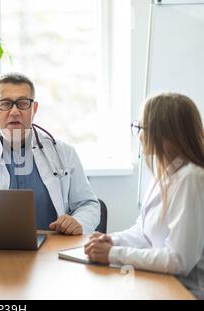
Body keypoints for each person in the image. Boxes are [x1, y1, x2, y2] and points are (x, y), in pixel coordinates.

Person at [84, 92, 204, 299]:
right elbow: (143, 233)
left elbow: (179, 261)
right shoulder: (164, 173)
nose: (139, 136)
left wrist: (113, 254)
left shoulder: (191, 178)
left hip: (184, 290)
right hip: (157, 281)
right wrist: (111, 240)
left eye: (141, 128)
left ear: (165, 135)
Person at [0, 72, 100, 235]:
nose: (14, 112)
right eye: (5, 104)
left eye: (23, 103)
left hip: (52, 249)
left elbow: (89, 204)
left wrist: (79, 221)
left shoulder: (63, 153)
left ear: (34, 108)